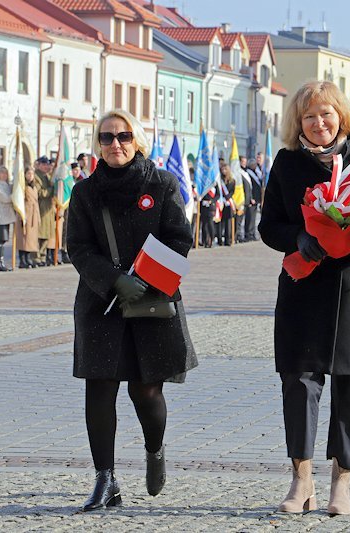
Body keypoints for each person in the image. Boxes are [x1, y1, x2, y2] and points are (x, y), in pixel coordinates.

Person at [259, 80, 350, 516]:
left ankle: (342, 483)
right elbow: (269, 226)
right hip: (306, 285)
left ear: (341, 114)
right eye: (308, 116)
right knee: (299, 383)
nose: (319, 123)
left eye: (326, 113)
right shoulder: (286, 164)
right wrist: (298, 237)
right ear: (297, 122)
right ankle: (301, 481)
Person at [67, 109, 197, 511]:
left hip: (152, 299)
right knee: (100, 389)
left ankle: (155, 450)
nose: (115, 144)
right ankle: (105, 480)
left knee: (146, 390)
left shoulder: (161, 183)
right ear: (97, 145)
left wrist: (147, 278)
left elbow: (179, 237)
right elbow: (79, 247)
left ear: (137, 140)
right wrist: (112, 279)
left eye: (123, 136)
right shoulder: (85, 192)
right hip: (100, 301)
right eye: (106, 138)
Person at [15, 167, 40, 269]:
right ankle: (22, 259)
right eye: (28, 174)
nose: (30, 176)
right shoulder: (22, 186)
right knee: (23, 238)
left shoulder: (34, 186)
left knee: (30, 238)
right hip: (25, 214)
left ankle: (28, 257)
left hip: (33, 214)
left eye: (32, 174)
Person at [34, 156, 56, 266]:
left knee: (46, 235)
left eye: (47, 164)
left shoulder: (47, 176)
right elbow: (40, 193)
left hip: (48, 209)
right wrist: (52, 190)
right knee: (39, 235)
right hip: (40, 208)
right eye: (44, 164)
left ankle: (43, 256)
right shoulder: (36, 176)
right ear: (39, 165)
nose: (46, 166)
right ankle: (36, 257)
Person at [0, 165, 15, 271]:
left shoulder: (7, 185)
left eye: (6, 173)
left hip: (7, 215)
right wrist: (15, 196)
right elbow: (5, 198)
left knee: (4, 240)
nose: (4, 175)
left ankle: (1, 261)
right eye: (2, 173)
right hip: (1, 215)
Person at [245, 153, 265, 241]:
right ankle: (248, 233)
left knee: (254, 218)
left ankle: (252, 233)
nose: (254, 166)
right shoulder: (248, 173)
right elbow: (250, 187)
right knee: (250, 217)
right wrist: (251, 198)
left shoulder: (258, 172)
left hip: (258, 198)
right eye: (253, 165)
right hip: (252, 198)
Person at [219, 163, 236, 246]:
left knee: (228, 223)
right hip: (221, 202)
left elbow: (232, 191)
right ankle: (219, 239)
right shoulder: (220, 180)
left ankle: (227, 240)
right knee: (220, 222)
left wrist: (227, 197)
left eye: (225, 169)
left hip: (228, 203)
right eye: (222, 170)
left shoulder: (232, 181)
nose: (224, 171)